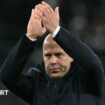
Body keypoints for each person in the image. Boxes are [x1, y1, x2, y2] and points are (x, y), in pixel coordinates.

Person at [0, 1, 104, 105]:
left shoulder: (87, 80)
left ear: (72, 56)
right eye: (48, 55)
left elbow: (93, 64)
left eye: (59, 55)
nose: (53, 61)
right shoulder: (37, 83)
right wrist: (30, 37)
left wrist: (56, 31)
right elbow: (7, 77)